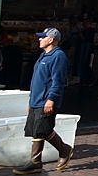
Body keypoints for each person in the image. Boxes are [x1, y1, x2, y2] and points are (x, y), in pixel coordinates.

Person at [13, 27, 73, 175]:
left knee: (42, 130)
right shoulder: (43, 56)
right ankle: (38, 162)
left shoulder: (58, 56)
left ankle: (57, 153)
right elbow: (37, 81)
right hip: (36, 99)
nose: (39, 39)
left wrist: (51, 99)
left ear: (51, 40)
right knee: (36, 130)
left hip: (45, 100)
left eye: (42, 37)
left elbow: (57, 81)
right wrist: (31, 100)